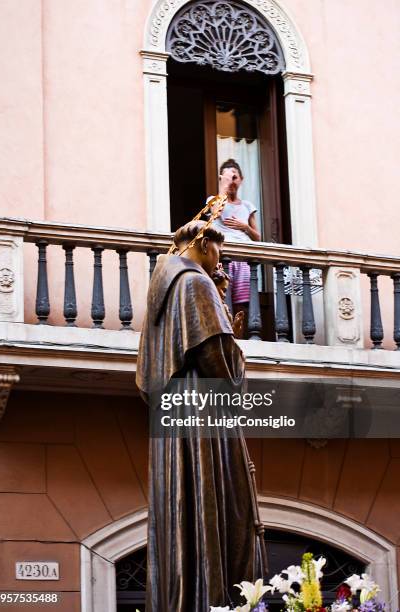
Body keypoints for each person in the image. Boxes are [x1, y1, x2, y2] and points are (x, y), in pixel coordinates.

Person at [136, 221, 264, 612]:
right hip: (202, 412)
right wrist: (233, 347)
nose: (220, 262)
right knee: (225, 506)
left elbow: (147, 378)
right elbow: (219, 362)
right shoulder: (195, 284)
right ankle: (215, 596)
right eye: (219, 252)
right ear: (205, 244)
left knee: (183, 506)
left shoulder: (164, 293)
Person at [209, 159, 260, 334]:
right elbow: (215, 212)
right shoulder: (214, 200)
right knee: (222, 299)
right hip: (223, 257)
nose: (232, 180)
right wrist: (224, 186)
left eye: (235, 177)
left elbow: (257, 236)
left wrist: (244, 227)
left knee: (241, 304)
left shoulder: (247, 206)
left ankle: (240, 337)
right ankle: (223, 336)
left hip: (243, 260)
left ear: (242, 179)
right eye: (229, 176)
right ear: (221, 178)